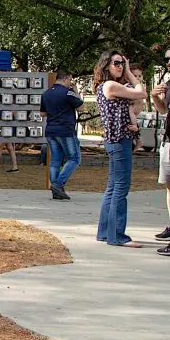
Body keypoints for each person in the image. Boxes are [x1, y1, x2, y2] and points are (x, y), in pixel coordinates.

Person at [94, 50, 147, 248]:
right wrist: (132, 75)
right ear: (106, 65)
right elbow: (142, 92)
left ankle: (104, 233)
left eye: (122, 63)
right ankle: (117, 235)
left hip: (115, 140)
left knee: (112, 187)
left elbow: (134, 106)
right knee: (120, 188)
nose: (120, 66)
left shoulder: (106, 86)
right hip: (119, 140)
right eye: (116, 63)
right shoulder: (110, 85)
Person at [40, 70, 84, 200]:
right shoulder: (68, 93)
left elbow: (42, 113)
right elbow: (81, 108)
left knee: (55, 160)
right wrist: (76, 91)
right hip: (65, 130)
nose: (71, 83)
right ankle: (58, 185)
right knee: (74, 158)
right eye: (70, 80)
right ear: (65, 79)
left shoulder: (46, 93)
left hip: (50, 130)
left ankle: (55, 188)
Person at [152, 47, 170, 253]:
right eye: (167, 59)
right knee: (168, 186)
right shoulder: (169, 84)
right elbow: (164, 111)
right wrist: (155, 97)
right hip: (168, 141)